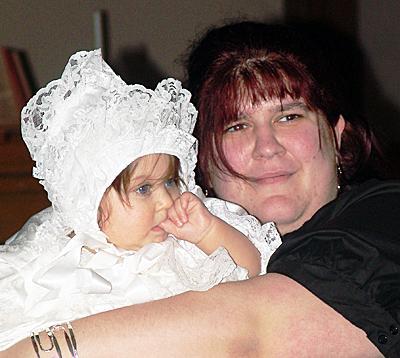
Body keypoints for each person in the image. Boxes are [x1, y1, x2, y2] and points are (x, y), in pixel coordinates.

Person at [3, 20, 400, 357]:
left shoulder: (385, 216)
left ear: (337, 134)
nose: (266, 146)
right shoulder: (160, 240)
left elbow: (251, 328)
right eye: (237, 126)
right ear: (200, 157)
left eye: (289, 116)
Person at [0, 49, 280, 352]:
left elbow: (252, 270)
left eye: (171, 182)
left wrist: (208, 233)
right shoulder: (54, 268)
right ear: (88, 202)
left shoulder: (186, 246)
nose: (165, 201)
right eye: (144, 189)